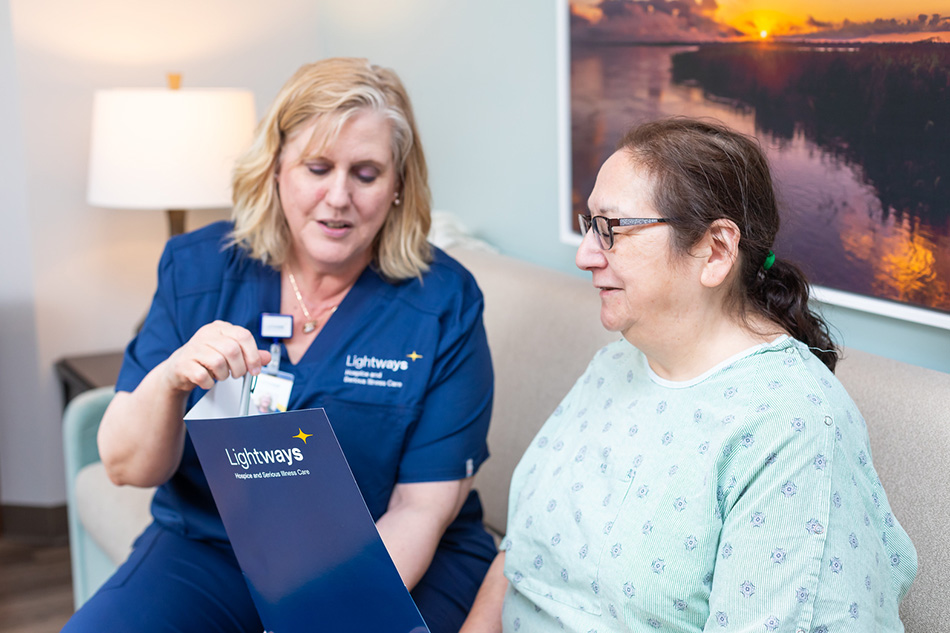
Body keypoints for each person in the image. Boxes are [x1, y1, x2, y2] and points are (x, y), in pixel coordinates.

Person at [64, 57, 496, 633]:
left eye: (365, 174)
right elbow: (124, 466)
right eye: (317, 167)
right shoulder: (199, 269)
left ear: (398, 187)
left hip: (385, 553)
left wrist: (317, 614)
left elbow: (420, 508)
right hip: (217, 548)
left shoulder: (443, 299)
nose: (338, 197)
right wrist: (170, 380)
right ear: (275, 169)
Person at [460, 117, 916, 633]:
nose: (586, 254)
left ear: (716, 251)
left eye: (610, 229)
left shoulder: (791, 426)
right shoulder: (614, 363)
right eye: (590, 225)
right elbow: (518, 551)